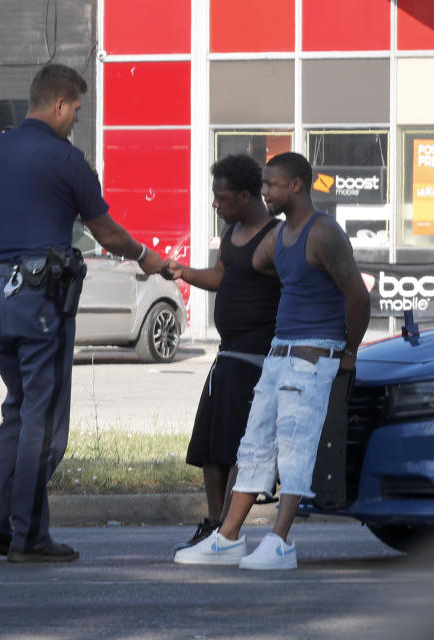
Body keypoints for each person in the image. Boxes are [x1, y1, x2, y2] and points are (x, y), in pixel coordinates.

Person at [0, 63, 167, 563]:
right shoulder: (67, 161)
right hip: (40, 304)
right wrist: (144, 256)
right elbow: (108, 234)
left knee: (18, 410)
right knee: (43, 422)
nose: (75, 121)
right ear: (61, 104)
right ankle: (27, 537)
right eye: (76, 111)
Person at [172, 151, 370, 570]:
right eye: (262, 185)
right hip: (279, 353)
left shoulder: (324, 233)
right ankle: (227, 536)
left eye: (272, 185)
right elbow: (245, 269)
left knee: (294, 447)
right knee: (253, 446)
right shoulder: (277, 239)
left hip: (314, 355)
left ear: (296, 185)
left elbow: (357, 296)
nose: (265, 192)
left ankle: (280, 540)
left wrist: (348, 352)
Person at [163, 154, 281, 550]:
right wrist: (184, 273)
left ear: (247, 196)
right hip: (227, 356)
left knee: (236, 448)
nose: (216, 204)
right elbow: (220, 277)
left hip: (256, 359)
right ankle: (215, 525)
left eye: (223, 197)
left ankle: (228, 532)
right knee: (210, 446)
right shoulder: (232, 232)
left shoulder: (276, 237)